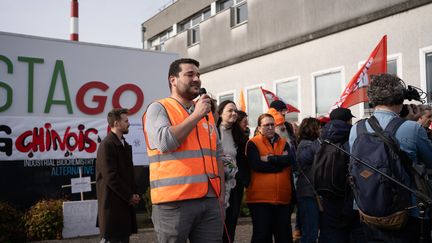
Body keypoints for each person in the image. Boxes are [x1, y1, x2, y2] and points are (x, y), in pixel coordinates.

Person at [143, 58, 225, 243]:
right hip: (174, 203)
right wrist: (196, 116)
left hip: (210, 201)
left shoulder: (206, 113)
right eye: (190, 74)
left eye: (198, 75)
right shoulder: (158, 108)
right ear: (173, 80)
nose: (196, 79)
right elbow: (165, 143)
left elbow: (217, 154)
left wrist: (221, 195)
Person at [349, 73, 432, 242]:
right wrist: (418, 127)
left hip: (368, 210)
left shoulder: (356, 129)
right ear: (400, 98)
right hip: (407, 213)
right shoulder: (413, 128)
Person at [246, 113, 296, 243]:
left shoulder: (284, 142)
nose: (269, 127)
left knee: (284, 237)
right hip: (260, 200)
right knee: (262, 236)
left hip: (283, 199)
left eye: (272, 124)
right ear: (259, 127)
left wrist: (269, 158)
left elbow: (290, 160)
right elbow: (256, 165)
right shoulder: (253, 143)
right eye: (266, 125)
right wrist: (280, 164)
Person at [96, 108, 140, 243]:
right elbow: (111, 177)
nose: (129, 123)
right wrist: (129, 196)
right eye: (126, 121)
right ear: (116, 123)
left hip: (123, 208)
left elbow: (128, 174)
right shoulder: (107, 145)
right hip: (112, 209)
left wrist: (134, 194)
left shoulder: (124, 144)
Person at [216, 100, 249, 243]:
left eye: (235, 111)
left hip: (234, 185)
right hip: (216, 184)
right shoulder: (213, 131)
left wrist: (241, 179)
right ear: (220, 113)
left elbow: (244, 161)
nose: (234, 113)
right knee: (215, 223)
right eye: (230, 110)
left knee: (231, 221)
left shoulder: (240, 135)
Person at [295, 117, 321, 243]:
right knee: (310, 232)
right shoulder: (307, 145)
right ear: (312, 129)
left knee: (310, 230)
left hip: (307, 191)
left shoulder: (304, 143)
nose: (321, 130)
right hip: (308, 192)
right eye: (319, 127)